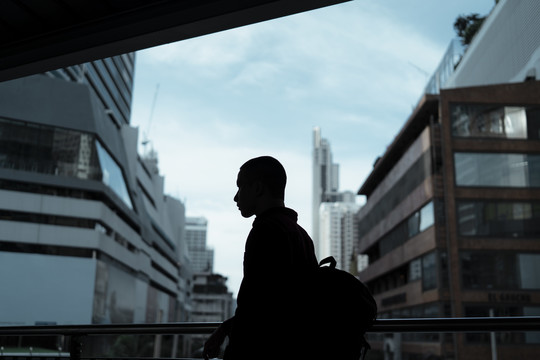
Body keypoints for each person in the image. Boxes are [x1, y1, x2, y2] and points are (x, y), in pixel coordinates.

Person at [203, 156, 319, 360]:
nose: (236, 197)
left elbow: (256, 306)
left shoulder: (265, 230)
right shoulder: (301, 235)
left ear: (257, 188)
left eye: (241, 187)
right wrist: (225, 328)